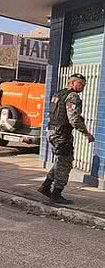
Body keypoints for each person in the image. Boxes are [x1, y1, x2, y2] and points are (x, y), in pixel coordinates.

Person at [38, 73, 95, 204]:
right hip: (61, 135)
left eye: (84, 85)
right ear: (72, 83)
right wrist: (87, 133)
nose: (83, 87)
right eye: (81, 84)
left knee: (60, 161)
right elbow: (74, 119)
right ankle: (56, 194)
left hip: (52, 132)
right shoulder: (72, 96)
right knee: (66, 163)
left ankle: (46, 186)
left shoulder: (58, 94)